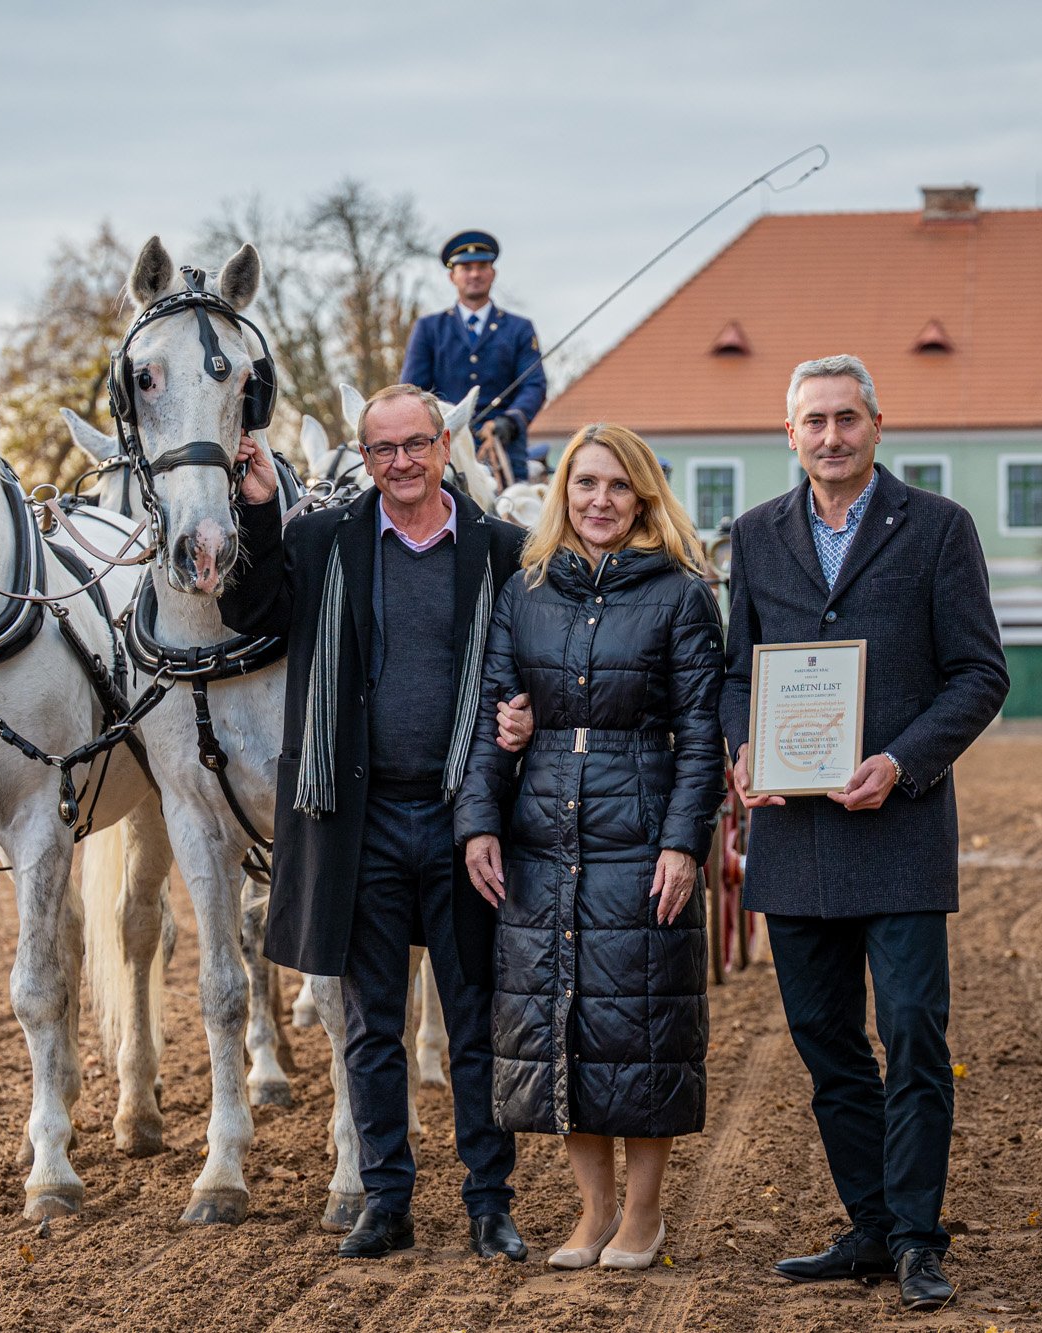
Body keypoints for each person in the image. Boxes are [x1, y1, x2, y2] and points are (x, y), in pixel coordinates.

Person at [721, 355, 1008, 1313]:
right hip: (796, 841)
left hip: (901, 829)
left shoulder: (936, 529)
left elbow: (980, 674)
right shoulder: (756, 536)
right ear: (789, 432)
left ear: (878, 427)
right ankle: (872, 1225)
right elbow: (734, 670)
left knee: (916, 1031)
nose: (832, 436)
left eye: (849, 419)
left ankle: (921, 1236)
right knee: (825, 1040)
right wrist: (746, 741)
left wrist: (901, 761)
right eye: (816, 421)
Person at [220, 383, 530, 1261]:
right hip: (358, 821)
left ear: (443, 447)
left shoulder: (500, 549)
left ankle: (487, 1199)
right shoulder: (321, 542)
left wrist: (529, 710)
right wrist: (256, 511)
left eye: (415, 445)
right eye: (382, 447)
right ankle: (386, 1196)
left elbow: (534, 655)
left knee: (475, 1019)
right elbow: (250, 613)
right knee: (371, 1024)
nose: (400, 461)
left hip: (468, 818)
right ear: (365, 457)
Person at [455, 423, 724, 1270]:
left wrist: (685, 844)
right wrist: (478, 822)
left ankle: (643, 1216)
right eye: (584, 485)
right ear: (563, 493)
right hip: (542, 837)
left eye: (616, 486)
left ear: (642, 496)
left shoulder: (681, 595)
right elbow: (494, 715)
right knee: (560, 1024)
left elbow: (702, 736)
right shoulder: (526, 591)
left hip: (639, 832)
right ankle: (593, 1211)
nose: (599, 501)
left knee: (637, 1027)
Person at [399, 230, 546, 483]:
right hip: (446, 451)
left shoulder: (519, 328)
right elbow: (412, 392)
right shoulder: (429, 329)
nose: (475, 274)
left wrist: (511, 421)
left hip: (505, 450)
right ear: (452, 276)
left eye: (482, 266)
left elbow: (534, 385)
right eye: (466, 268)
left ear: (493, 273)